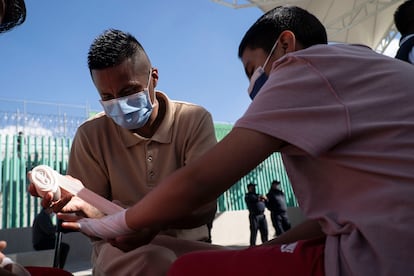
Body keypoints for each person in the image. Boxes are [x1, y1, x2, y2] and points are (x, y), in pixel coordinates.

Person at [55, 5, 414, 276]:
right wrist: (268, 249)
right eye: (108, 97)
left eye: (253, 70)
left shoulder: (305, 69)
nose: (251, 88)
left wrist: (120, 220)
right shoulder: (362, 77)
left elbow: (200, 183)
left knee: (183, 269)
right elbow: (329, 222)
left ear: (285, 45)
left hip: (380, 257)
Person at [29, 28, 218, 275]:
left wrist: (145, 220)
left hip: (190, 247)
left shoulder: (193, 120)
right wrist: (65, 201)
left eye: (128, 92)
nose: (119, 104)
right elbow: (86, 216)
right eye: (107, 97)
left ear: (154, 77)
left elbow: (204, 207)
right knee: (152, 261)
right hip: (118, 249)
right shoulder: (90, 135)